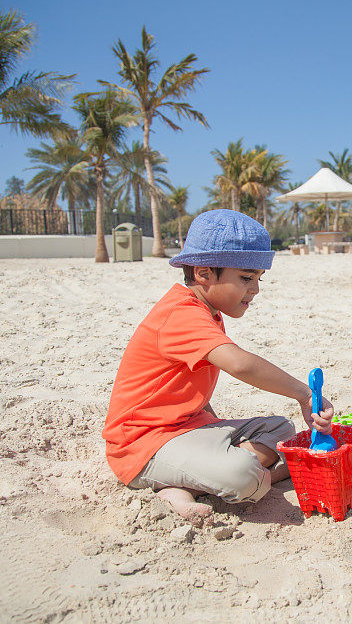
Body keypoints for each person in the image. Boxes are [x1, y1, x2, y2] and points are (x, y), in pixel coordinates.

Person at [102, 209, 334, 522]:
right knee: (244, 477)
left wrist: (211, 429)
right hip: (141, 445)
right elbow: (239, 364)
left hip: (185, 428)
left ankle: (192, 483)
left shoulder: (207, 311)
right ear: (204, 274)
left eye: (258, 279)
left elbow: (186, 385)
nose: (255, 289)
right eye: (246, 278)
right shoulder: (181, 314)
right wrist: (304, 394)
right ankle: (189, 483)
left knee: (280, 428)